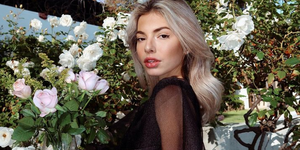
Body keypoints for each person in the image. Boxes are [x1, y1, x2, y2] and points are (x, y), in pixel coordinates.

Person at [118, 0, 224, 149]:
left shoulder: (170, 93)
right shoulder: (179, 94)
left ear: (187, 44)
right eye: (141, 38)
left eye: (162, 36)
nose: (148, 47)